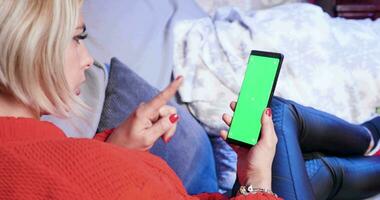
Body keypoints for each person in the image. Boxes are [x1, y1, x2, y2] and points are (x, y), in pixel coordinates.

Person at [0, 0, 280, 199]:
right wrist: (257, 180)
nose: (88, 60)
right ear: (30, 46)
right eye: (76, 38)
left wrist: (115, 149)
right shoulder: (105, 175)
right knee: (284, 119)